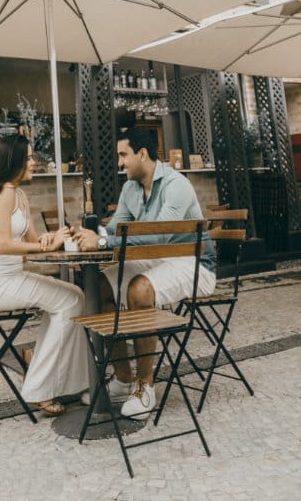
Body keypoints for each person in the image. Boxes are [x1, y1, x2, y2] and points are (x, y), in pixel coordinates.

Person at [74, 127, 216, 420]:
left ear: (141, 154)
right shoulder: (131, 188)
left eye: (123, 155)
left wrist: (101, 243)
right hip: (158, 260)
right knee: (100, 285)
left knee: (139, 289)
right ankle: (123, 379)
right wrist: (86, 234)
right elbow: (115, 228)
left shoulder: (176, 185)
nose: (119, 163)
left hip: (194, 263)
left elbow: (159, 235)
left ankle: (145, 385)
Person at [0, 133, 89, 416]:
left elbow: (33, 241)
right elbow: (5, 245)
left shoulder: (20, 194)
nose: (34, 162)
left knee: (76, 295)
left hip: (13, 277)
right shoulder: (4, 194)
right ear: (14, 162)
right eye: (29, 157)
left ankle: (50, 370)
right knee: (71, 301)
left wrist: (52, 237)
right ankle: (39, 387)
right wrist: (48, 245)